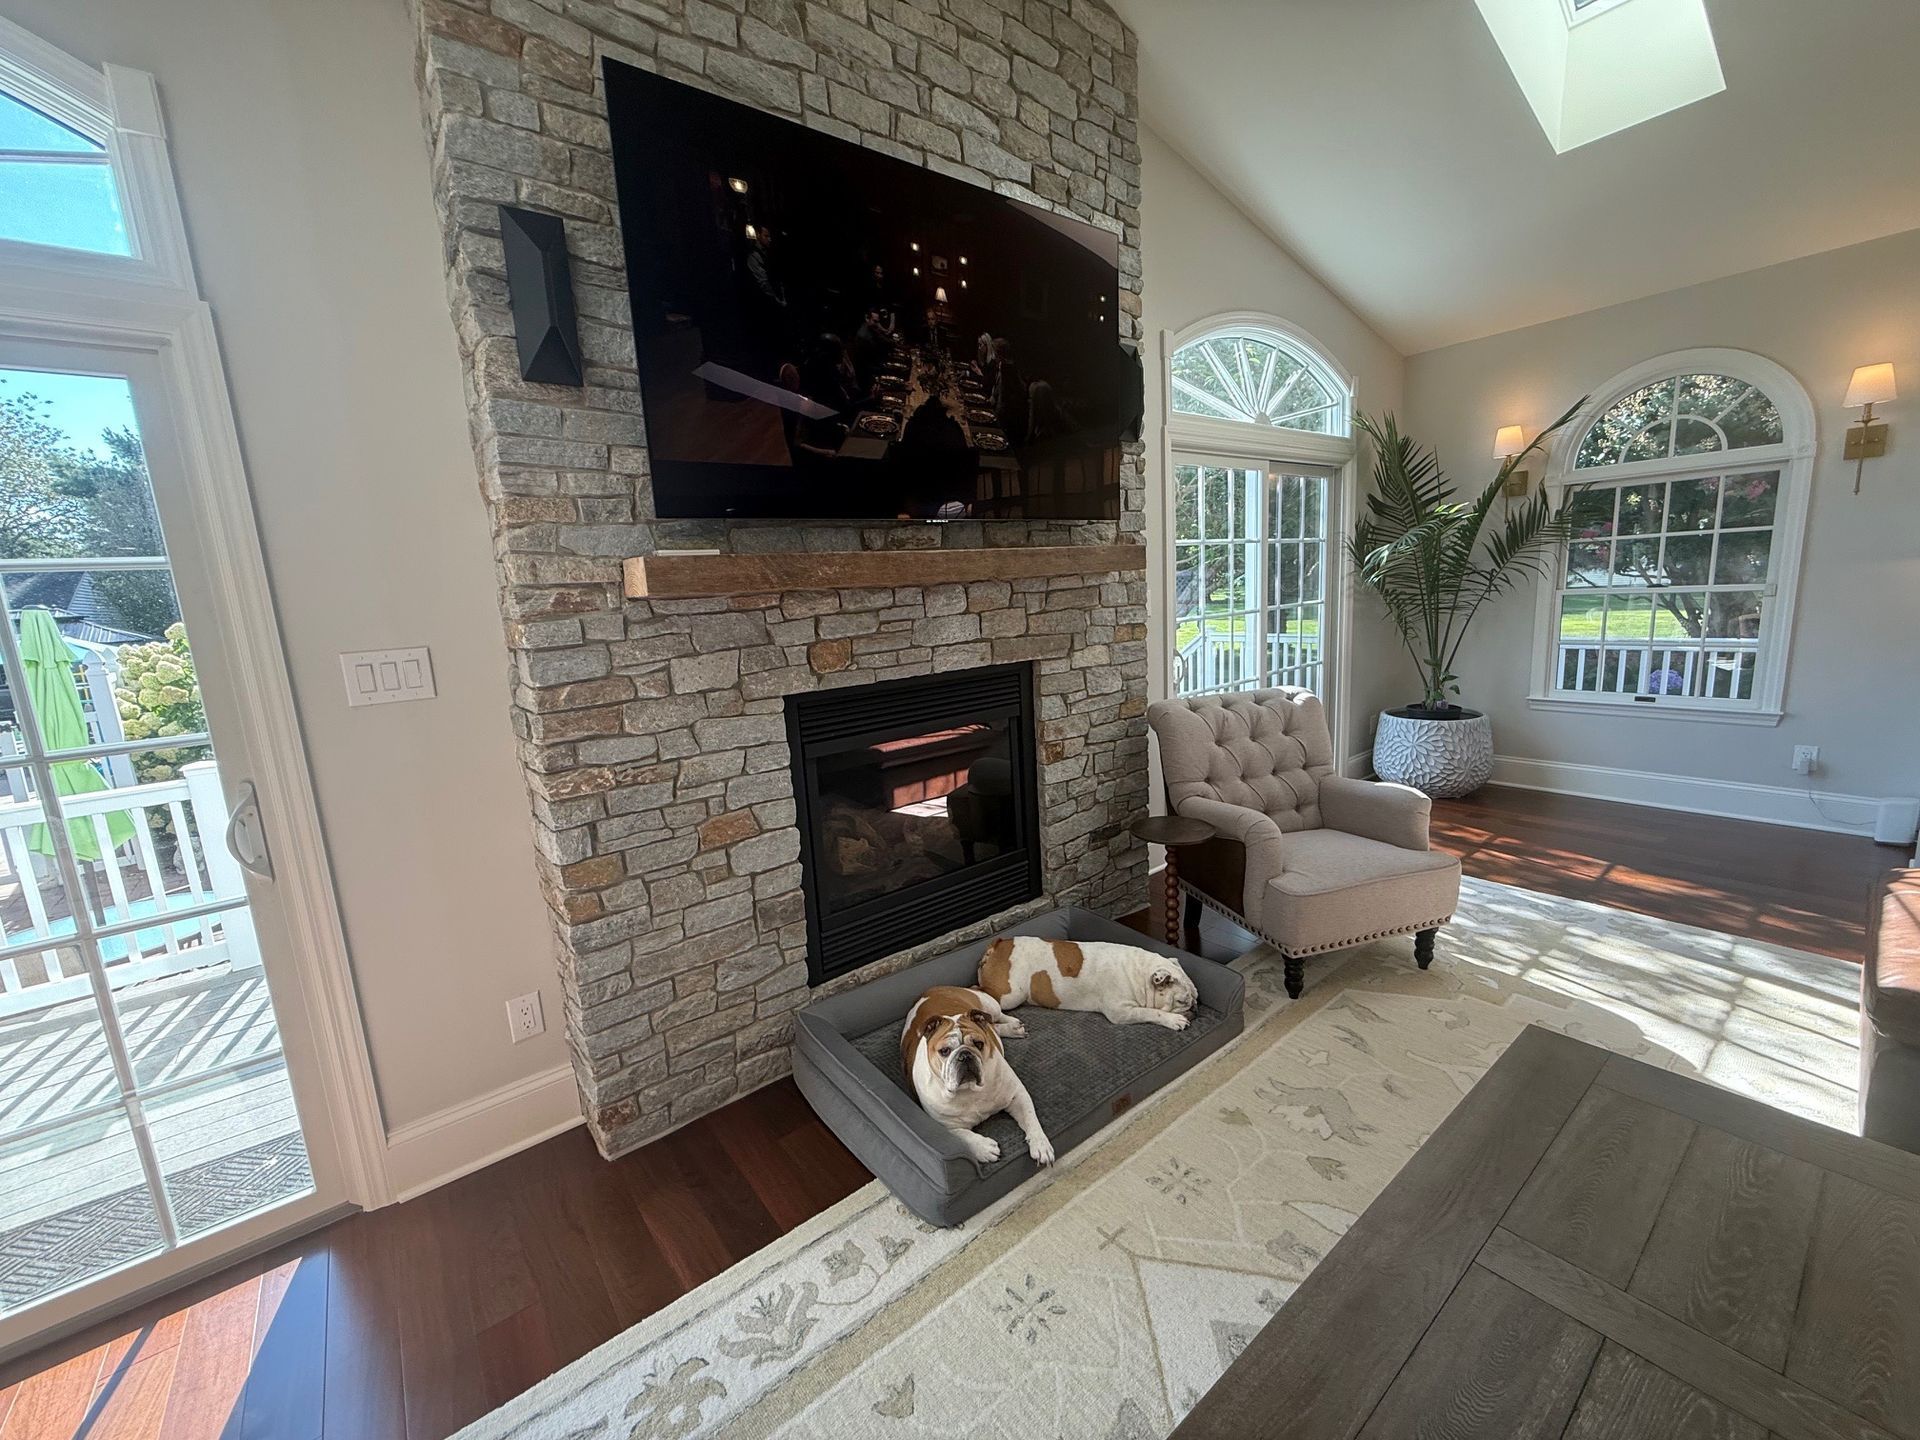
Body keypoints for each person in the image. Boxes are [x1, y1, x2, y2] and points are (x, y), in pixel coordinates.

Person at [991, 337, 1029, 446]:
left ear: (998, 353)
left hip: (1009, 415)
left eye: (994, 352)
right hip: (1006, 412)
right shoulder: (1004, 366)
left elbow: (1004, 396)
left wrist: (996, 417)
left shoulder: (1007, 368)